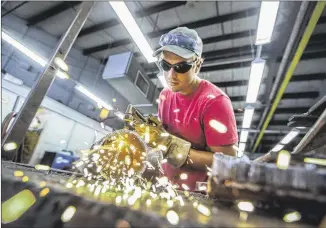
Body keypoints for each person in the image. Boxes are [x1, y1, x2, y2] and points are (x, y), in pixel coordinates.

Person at [133, 27, 239, 191]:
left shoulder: (214, 102)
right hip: (165, 186)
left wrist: (173, 149)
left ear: (197, 64)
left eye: (181, 67)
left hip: (198, 194)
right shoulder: (165, 95)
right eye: (165, 65)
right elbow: (162, 142)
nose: (171, 75)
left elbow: (228, 163)